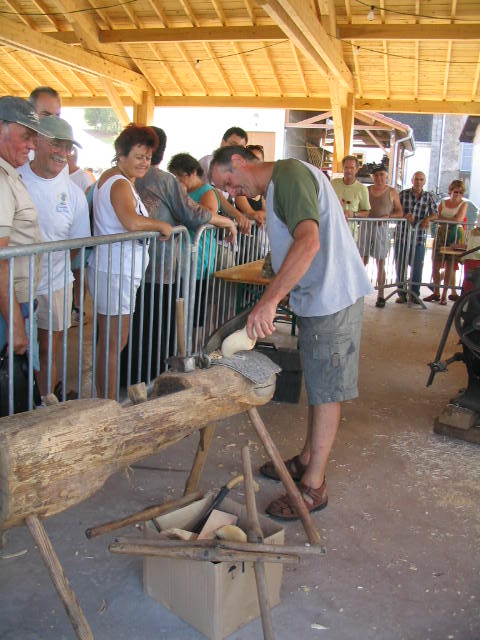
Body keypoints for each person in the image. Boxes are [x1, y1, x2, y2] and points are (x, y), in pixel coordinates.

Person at [209, 146, 373, 520]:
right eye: (224, 189)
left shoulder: (288, 177)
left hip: (334, 296)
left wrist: (269, 301)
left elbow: (309, 241)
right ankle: (306, 458)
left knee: (327, 391)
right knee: (318, 384)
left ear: (238, 162)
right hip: (319, 296)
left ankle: (314, 485)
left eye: (228, 182)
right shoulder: (278, 185)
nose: (230, 191)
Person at [125, 128, 236, 384]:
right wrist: (226, 222)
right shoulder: (161, 180)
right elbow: (194, 214)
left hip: (131, 266)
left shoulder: (115, 178)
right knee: (154, 329)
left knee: (130, 327)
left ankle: (131, 379)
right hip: (157, 268)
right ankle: (149, 381)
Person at [86, 124, 172, 399]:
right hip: (115, 270)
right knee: (113, 342)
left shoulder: (120, 180)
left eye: (148, 157)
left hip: (118, 269)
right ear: (121, 155)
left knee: (113, 341)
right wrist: (160, 225)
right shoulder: (119, 182)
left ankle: (106, 400)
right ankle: (108, 403)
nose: (144, 162)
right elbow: (131, 221)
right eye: (138, 156)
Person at [18, 116, 91, 400]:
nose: (62, 152)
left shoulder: (73, 194)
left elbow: (77, 244)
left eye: (68, 147)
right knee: (14, 347)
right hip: (14, 286)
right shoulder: (16, 178)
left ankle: (46, 406)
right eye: (55, 144)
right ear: (35, 141)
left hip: (56, 283)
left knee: (50, 348)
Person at [0, 97, 52, 367]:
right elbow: (0, 260)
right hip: (7, 308)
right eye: (25, 136)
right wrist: (15, 324)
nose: (32, 146)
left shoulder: (9, 174)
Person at [359, 166, 403, 308]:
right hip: (365, 227)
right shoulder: (366, 190)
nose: (379, 178)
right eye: (376, 175)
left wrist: (388, 216)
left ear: (386, 176)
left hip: (381, 229)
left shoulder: (392, 192)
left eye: (381, 175)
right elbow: (360, 207)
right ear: (372, 177)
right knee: (361, 260)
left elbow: (399, 212)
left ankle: (381, 294)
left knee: (380, 262)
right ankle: (358, 293)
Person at [395, 172, 438, 304]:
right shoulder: (403, 194)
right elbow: (396, 211)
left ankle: (415, 294)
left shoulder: (428, 197)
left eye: (421, 180)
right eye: (416, 179)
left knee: (417, 267)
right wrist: (404, 216)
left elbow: (435, 213)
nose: (418, 182)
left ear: (424, 182)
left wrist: (427, 218)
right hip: (402, 236)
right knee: (400, 266)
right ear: (412, 180)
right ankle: (401, 293)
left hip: (419, 237)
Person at [199, 126, 251, 234]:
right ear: (223, 142)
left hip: (225, 234)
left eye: (241, 148)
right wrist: (237, 215)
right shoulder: (209, 162)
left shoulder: (236, 169)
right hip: (207, 231)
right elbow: (216, 194)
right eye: (233, 145)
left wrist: (250, 213)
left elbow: (238, 195)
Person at [424, 179, 467, 305]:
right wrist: (449, 219)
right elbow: (436, 216)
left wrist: (444, 219)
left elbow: (458, 219)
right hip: (441, 233)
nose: (457, 194)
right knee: (435, 263)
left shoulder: (464, 204)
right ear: (450, 191)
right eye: (455, 191)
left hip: (455, 235)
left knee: (450, 265)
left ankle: (444, 294)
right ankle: (436, 291)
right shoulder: (443, 202)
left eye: (460, 192)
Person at [331, 155, 370, 220]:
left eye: (352, 168)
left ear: (357, 169)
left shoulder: (362, 189)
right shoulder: (333, 183)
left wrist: (353, 214)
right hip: (333, 226)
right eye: (346, 167)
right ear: (343, 168)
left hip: (351, 229)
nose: (349, 170)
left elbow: (367, 212)